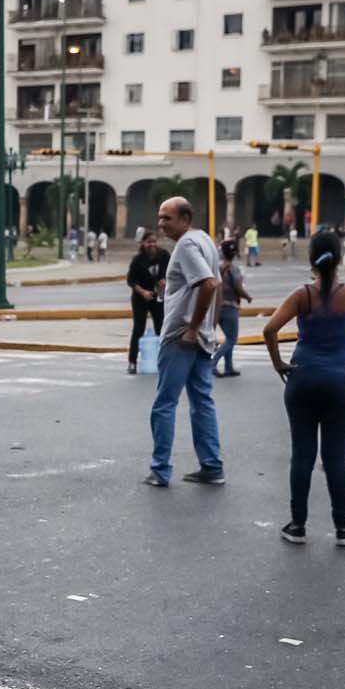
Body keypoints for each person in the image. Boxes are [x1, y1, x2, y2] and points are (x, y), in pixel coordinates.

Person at [262, 231, 345, 548]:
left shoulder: (302, 296)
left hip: (302, 379)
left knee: (302, 455)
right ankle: (343, 526)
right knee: (335, 457)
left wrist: (279, 363)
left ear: (311, 261)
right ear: (341, 258)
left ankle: (298, 525)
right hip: (339, 382)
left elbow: (269, 329)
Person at [145, 197, 224, 488]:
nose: (161, 224)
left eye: (167, 218)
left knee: (164, 404)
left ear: (185, 218)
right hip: (200, 338)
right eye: (160, 217)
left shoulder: (187, 246)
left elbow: (209, 284)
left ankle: (160, 470)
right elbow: (218, 285)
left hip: (180, 337)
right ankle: (212, 466)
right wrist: (210, 326)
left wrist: (192, 328)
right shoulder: (205, 240)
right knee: (202, 402)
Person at [125, 232, 167, 374]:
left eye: (154, 241)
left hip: (158, 297)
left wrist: (165, 283)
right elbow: (130, 280)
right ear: (143, 244)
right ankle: (132, 362)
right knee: (138, 329)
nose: (152, 245)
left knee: (161, 328)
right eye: (149, 242)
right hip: (140, 298)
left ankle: (163, 361)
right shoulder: (138, 260)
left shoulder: (164, 256)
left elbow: (172, 273)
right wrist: (143, 292)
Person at [214, 240, 254, 378]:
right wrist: (248, 297)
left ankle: (228, 367)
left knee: (228, 338)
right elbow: (238, 287)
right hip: (230, 306)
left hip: (218, 307)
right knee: (231, 339)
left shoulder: (218, 268)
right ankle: (212, 364)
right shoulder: (234, 269)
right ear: (235, 253)